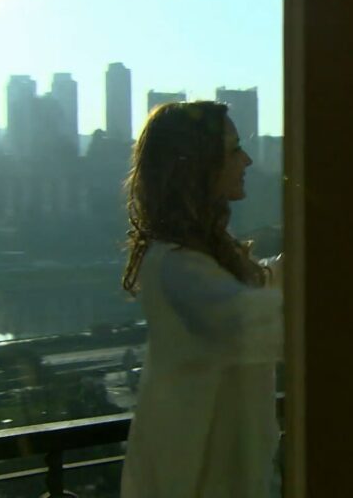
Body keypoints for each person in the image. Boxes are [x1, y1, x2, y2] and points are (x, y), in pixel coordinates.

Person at [119, 101, 283, 497]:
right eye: (233, 149)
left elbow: (260, 285)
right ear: (197, 165)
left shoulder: (199, 259)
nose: (246, 160)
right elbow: (258, 320)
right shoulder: (177, 268)